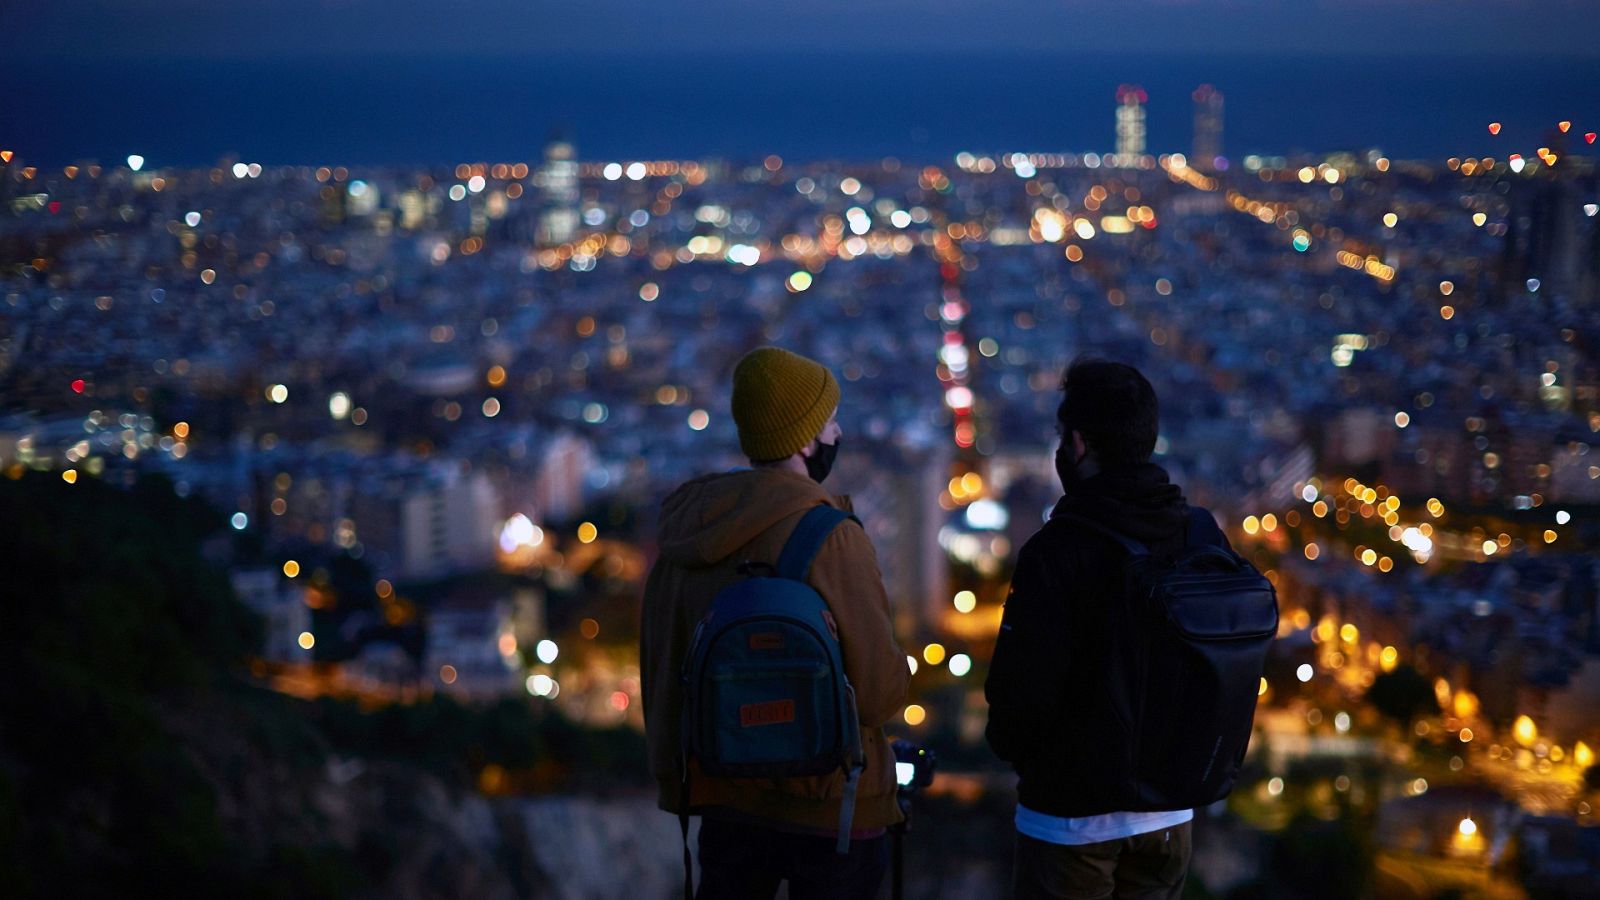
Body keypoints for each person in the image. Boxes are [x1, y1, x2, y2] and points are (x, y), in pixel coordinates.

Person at [640, 346, 909, 900]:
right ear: (806, 440)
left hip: (724, 798)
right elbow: (880, 695)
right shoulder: (831, 536)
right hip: (833, 807)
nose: (837, 432)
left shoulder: (687, 535)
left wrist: (680, 781)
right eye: (829, 421)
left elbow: (661, 672)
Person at [985, 359, 1235, 900]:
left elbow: (1017, 699)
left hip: (1071, 821)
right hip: (1168, 816)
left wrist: (1029, 759)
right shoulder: (1201, 537)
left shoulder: (1055, 552)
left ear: (1077, 443)